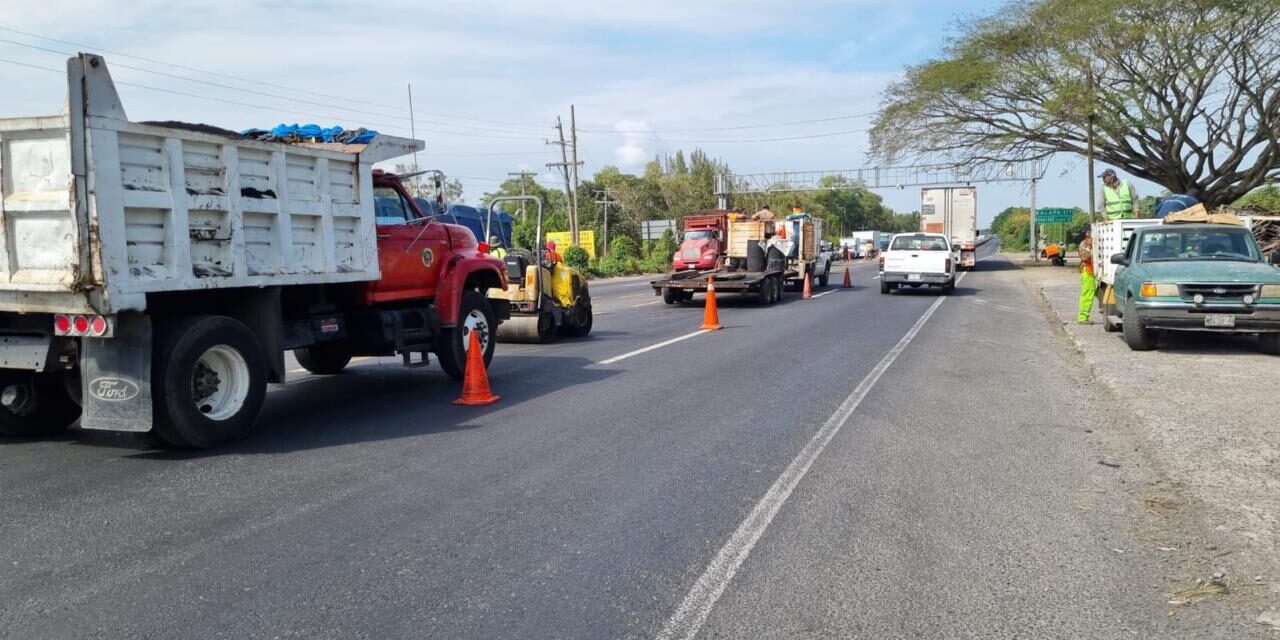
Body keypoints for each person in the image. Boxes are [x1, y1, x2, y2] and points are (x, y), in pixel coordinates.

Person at [1077, 228, 1096, 324]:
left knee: (1091, 294)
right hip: (1088, 271)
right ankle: (1083, 317)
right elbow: (1085, 257)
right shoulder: (1085, 243)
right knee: (1087, 294)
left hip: (1091, 272)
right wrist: (1090, 246)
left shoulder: (1090, 243)